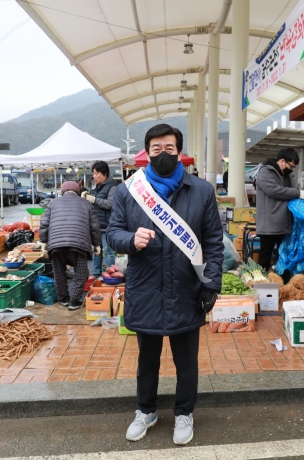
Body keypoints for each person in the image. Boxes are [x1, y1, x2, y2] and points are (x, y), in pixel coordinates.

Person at [107, 124, 223, 446]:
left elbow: (214, 241)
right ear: (147, 153)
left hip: (187, 289)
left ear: (179, 152)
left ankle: (184, 412)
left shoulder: (201, 191)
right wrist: (131, 239)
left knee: (186, 360)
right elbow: (112, 233)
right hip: (145, 289)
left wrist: (210, 285)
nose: (162, 155)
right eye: (155, 149)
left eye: (169, 149)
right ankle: (146, 410)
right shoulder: (128, 191)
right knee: (147, 358)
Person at [40, 181, 101, 310]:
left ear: (62, 192)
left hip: (56, 244)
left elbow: (44, 224)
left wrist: (44, 242)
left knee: (59, 272)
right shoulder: (86, 204)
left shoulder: (52, 203)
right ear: (78, 191)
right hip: (79, 244)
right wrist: (97, 245)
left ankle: (63, 299)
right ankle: (74, 300)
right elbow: (94, 226)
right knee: (81, 273)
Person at [255, 148, 304, 275]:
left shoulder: (288, 176)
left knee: (284, 255)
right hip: (269, 225)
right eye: (291, 166)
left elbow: (293, 190)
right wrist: (297, 193)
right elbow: (274, 190)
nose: (292, 169)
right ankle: (261, 284)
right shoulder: (265, 172)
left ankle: (282, 285)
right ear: (282, 161)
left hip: (284, 224)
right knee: (265, 256)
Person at [81, 161, 117, 277]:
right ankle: (96, 273)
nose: (94, 176)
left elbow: (110, 204)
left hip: (108, 225)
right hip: (96, 225)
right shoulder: (96, 187)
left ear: (105, 173)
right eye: (93, 174)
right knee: (97, 250)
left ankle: (110, 274)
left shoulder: (113, 187)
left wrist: (94, 200)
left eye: (97, 173)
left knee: (108, 251)